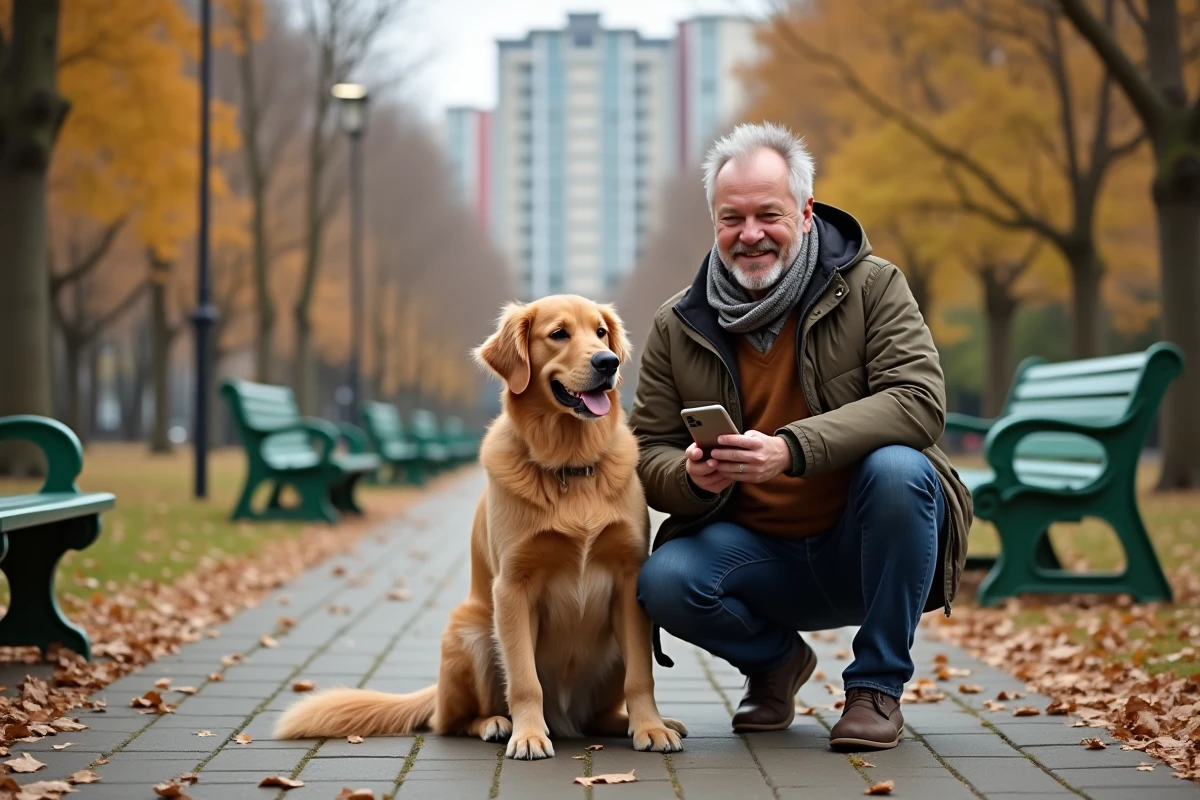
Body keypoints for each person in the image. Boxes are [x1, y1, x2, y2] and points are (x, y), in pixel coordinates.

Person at [629, 121, 972, 751]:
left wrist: (792, 448)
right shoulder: (678, 323)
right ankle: (773, 664)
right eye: (732, 218)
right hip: (756, 554)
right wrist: (690, 476)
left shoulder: (873, 286)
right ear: (714, 222)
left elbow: (919, 401)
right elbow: (647, 448)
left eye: (769, 213)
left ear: (806, 212)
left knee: (901, 470)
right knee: (664, 581)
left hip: (864, 544)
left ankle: (876, 688)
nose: (750, 233)